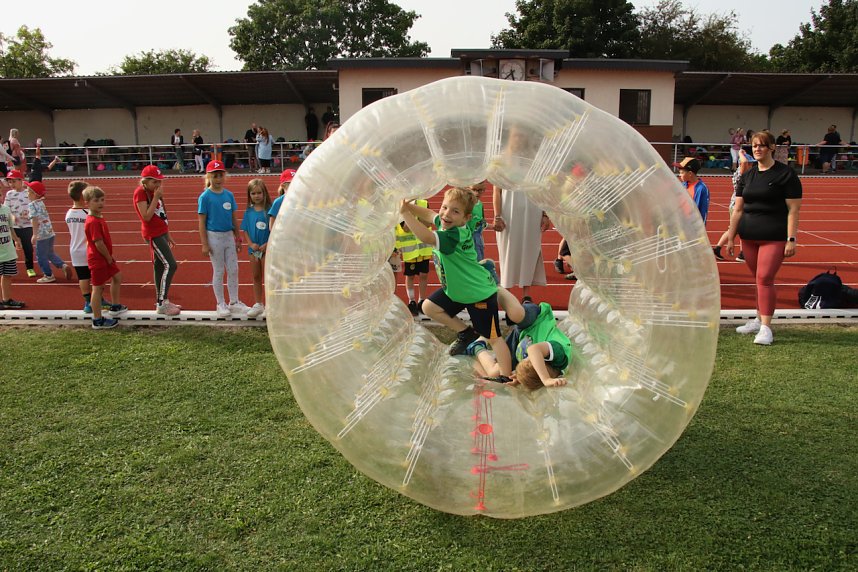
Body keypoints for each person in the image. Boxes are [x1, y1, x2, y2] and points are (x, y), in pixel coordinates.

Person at [399, 187, 526, 376]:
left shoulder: (453, 235)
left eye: (455, 211)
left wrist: (404, 214)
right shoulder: (446, 223)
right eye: (445, 207)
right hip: (458, 289)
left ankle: (506, 376)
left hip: (478, 294)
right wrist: (408, 205)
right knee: (429, 307)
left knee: (494, 338)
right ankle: (467, 333)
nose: (446, 214)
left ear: (465, 218)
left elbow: (425, 236)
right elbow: (430, 213)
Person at [727, 130, 802, 345]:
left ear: (771, 148)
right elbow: (738, 209)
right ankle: (758, 319)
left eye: (761, 145)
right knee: (758, 280)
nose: (757, 149)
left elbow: (793, 210)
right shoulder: (748, 175)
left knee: (764, 279)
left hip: (774, 236)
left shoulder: (785, 174)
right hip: (748, 236)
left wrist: (791, 239)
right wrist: (731, 236)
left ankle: (766, 329)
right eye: (754, 145)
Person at [493, 126, 549, 303]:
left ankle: (526, 294)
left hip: (532, 213)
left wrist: (545, 214)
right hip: (509, 214)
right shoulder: (501, 160)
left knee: (529, 250)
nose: (519, 139)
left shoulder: (534, 160)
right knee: (508, 251)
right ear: (511, 137)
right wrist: (497, 215)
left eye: (523, 136)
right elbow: (497, 191)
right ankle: (507, 292)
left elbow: (542, 190)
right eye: (516, 135)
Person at [470, 301, 572, 390]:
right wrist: (546, 379)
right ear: (543, 364)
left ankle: (477, 346)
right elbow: (533, 350)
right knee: (516, 315)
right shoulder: (560, 358)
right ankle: (499, 292)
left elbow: (531, 368)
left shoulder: (532, 364)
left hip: (520, 340)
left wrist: (519, 378)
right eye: (529, 359)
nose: (528, 357)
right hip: (535, 320)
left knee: (495, 373)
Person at [198, 160, 247, 317]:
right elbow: (202, 222)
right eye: (215, 176)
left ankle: (234, 301)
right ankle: (220, 303)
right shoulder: (205, 197)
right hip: (214, 238)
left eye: (221, 175)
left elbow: (233, 219)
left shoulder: (229, 195)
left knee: (233, 269)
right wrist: (205, 244)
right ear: (209, 177)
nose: (218, 179)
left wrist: (238, 238)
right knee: (219, 271)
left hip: (228, 237)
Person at [133, 166, 181, 316]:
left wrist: (168, 234)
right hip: (152, 234)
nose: (158, 185)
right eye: (155, 182)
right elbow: (146, 216)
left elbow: (162, 214)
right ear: (145, 181)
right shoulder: (141, 193)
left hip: (161, 232)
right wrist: (155, 197)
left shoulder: (155, 192)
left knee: (160, 266)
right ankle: (162, 302)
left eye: (159, 182)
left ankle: (161, 300)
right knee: (171, 265)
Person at [83, 186, 128, 329]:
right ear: (87, 203)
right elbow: (98, 243)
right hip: (98, 259)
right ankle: (97, 319)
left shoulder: (99, 218)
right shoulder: (93, 221)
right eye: (96, 201)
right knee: (98, 288)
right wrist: (108, 257)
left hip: (105, 258)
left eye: (102, 200)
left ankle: (115, 306)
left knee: (117, 276)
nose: (100, 203)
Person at [65, 180, 112, 313]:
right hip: (89, 250)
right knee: (97, 278)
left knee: (83, 277)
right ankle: (98, 300)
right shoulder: (88, 214)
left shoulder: (69, 213)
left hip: (74, 249)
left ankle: (87, 302)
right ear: (83, 197)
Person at [713, 149, 754, 261]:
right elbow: (744, 163)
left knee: (736, 229)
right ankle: (740, 253)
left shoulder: (745, 174)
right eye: (750, 163)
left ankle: (720, 249)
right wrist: (741, 154)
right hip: (738, 205)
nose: (751, 165)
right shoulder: (741, 172)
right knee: (738, 229)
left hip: (739, 204)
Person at [27, 181, 72, 283]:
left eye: (28, 191)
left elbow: (34, 220)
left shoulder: (32, 205)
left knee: (41, 255)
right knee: (50, 252)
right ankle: (62, 265)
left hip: (41, 234)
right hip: (49, 232)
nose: (27, 193)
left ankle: (48, 275)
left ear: (35, 194)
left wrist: (34, 234)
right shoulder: (41, 202)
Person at [394, 199, 433, 316]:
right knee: (410, 276)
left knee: (423, 275)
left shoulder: (423, 203)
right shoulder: (401, 206)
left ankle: (422, 300)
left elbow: (427, 224)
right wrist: (411, 210)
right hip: (410, 251)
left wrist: (418, 209)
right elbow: (406, 228)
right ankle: (412, 301)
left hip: (423, 247)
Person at [240, 179, 273, 319]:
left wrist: (267, 244)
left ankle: (270, 305)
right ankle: (258, 303)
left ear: (264, 193)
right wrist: (250, 244)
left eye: (259, 192)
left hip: (266, 249)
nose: (257, 196)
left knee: (268, 277)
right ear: (249, 195)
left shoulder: (269, 211)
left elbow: (274, 229)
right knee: (256, 276)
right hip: (253, 250)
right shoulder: (248, 212)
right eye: (253, 193)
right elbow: (245, 230)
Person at [4, 170, 35, 277]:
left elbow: (32, 207)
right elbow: (6, 208)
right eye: (9, 182)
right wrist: (12, 219)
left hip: (27, 226)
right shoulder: (9, 194)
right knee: (9, 248)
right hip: (13, 227)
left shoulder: (28, 193)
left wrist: (28, 214)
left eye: (14, 181)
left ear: (21, 180)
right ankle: (8, 268)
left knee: (28, 248)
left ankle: (30, 268)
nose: (11, 184)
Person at [0, 190, 25, 309]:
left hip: (8, 250)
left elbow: (10, 227)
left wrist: (16, 240)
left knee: (8, 275)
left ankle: (6, 300)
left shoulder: (5, 209)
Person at [672, 157, 710, 224]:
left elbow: (703, 211)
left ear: (690, 173)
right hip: (681, 223)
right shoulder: (682, 185)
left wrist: (700, 230)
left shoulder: (701, 189)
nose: (679, 175)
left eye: (682, 173)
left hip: (692, 225)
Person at [466, 182, 488, 261]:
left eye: (480, 190)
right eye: (474, 189)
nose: (477, 193)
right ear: (468, 189)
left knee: (480, 257)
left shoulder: (480, 204)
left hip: (478, 237)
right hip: (468, 236)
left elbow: (482, 220)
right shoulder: (466, 204)